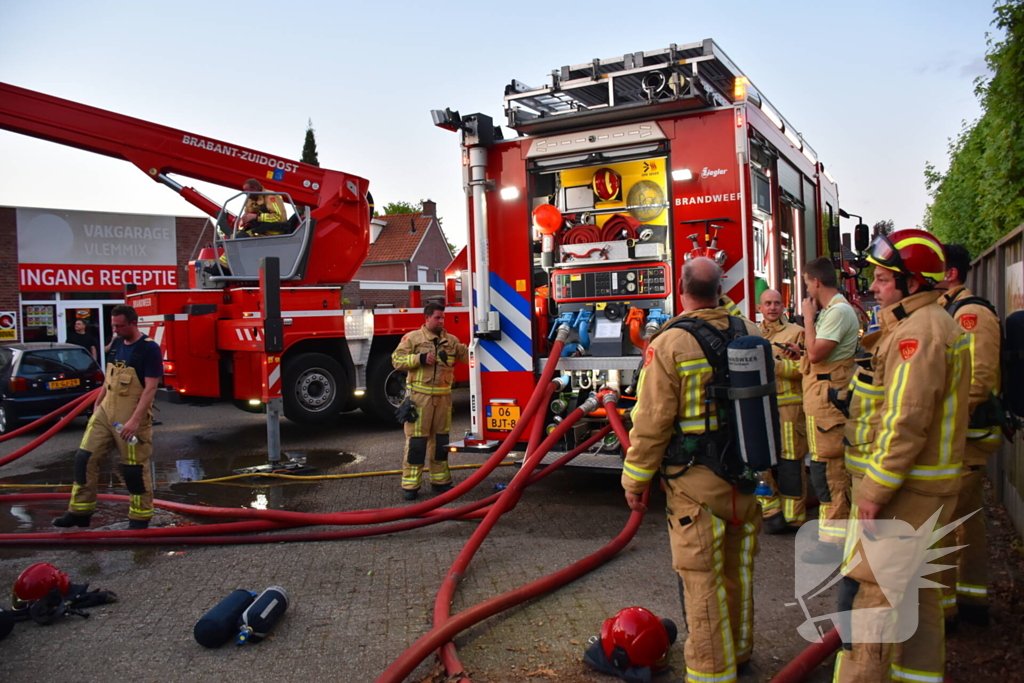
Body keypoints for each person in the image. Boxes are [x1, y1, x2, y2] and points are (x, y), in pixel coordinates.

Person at [834, 229, 970, 683]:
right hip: (927, 488)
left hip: (909, 491)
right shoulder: (924, 325)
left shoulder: (920, 334)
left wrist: (875, 489)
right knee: (918, 598)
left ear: (913, 283)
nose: (874, 286)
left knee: (872, 603)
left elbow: (906, 420)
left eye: (883, 278)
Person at [622, 257, 762, 682]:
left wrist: (635, 479)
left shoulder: (668, 344)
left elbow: (652, 421)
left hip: (694, 484)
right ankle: (739, 651)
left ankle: (710, 672)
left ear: (680, 288)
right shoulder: (751, 332)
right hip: (745, 475)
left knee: (702, 578)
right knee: (738, 570)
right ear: (721, 288)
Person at [935, 243, 1001, 627]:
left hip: (968, 435)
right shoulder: (954, 308)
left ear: (952, 274)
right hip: (966, 435)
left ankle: (944, 612)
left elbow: (977, 382)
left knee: (944, 520)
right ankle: (971, 599)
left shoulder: (970, 313)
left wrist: (942, 422)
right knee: (966, 519)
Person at [53, 304, 163, 530]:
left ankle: (140, 518)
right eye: (113, 326)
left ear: (133, 323)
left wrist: (134, 421)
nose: (116, 330)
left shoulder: (148, 348)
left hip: (131, 415)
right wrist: (97, 404)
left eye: (120, 326)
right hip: (105, 411)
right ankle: (79, 512)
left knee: (133, 469)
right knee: (85, 459)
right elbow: (108, 378)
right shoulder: (115, 344)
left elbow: (151, 388)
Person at [788, 257, 860, 564]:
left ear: (816, 282)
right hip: (823, 400)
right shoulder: (835, 312)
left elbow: (818, 355)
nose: (806, 289)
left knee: (828, 471)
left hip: (829, 404)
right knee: (824, 468)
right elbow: (814, 352)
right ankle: (837, 539)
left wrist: (807, 318)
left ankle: (833, 544)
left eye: (806, 283)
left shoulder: (838, 312)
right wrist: (800, 350)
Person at [391, 302, 469, 501]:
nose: (441, 321)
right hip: (420, 399)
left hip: (444, 399)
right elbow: (396, 360)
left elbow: (467, 354)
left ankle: (440, 481)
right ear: (426, 318)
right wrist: (420, 358)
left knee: (441, 442)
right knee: (417, 443)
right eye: (437, 318)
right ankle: (411, 485)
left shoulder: (450, 341)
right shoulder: (413, 338)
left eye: (443, 318)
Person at [755, 288, 808, 534]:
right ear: (759, 308)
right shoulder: (754, 334)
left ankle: (794, 517)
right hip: (761, 407)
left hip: (789, 408)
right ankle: (771, 510)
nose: (773, 307)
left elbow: (803, 369)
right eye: (768, 303)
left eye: (777, 303)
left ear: (783, 306)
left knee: (790, 463)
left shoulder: (796, 334)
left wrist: (774, 364)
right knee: (758, 461)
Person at [215, 179, 289, 272]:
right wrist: (245, 221)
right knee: (235, 236)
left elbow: (278, 217)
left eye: (246, 190)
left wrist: (256, 216)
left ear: (254, 188)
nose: (245, 193)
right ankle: (223, 266)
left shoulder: (270, 196)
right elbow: (248, 215)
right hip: (260, 230)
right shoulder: (250, 200)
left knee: (241, 238)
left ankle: (225, 268)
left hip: (274, 233)